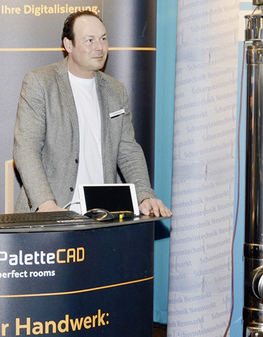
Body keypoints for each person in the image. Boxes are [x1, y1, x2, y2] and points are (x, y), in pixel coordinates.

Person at [13, 10, 171, 218]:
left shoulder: (116, 90)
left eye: (103, 39)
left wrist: (145, 195)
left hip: (101, 218)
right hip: (50, 216)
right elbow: (26, 148)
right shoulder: (40, 83)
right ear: (69, 45)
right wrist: (46, 204)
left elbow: (128, 150)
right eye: (90, 40)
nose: (99, 47)